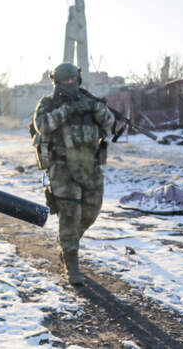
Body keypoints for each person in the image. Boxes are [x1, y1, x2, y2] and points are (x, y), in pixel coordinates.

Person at [31, 63, 114, 285]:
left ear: (78, 80)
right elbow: (41, 125)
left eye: (73, 80)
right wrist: (67, 110)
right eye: (65, 81)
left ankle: (67, 243)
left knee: (91, 211)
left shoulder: (89, 101)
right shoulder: (48, 103)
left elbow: (109, 124)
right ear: (57, 83)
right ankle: (71, 263)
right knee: (69, 215)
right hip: (62, 168)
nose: (70, 84)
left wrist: (96, 108)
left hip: (90, 166)